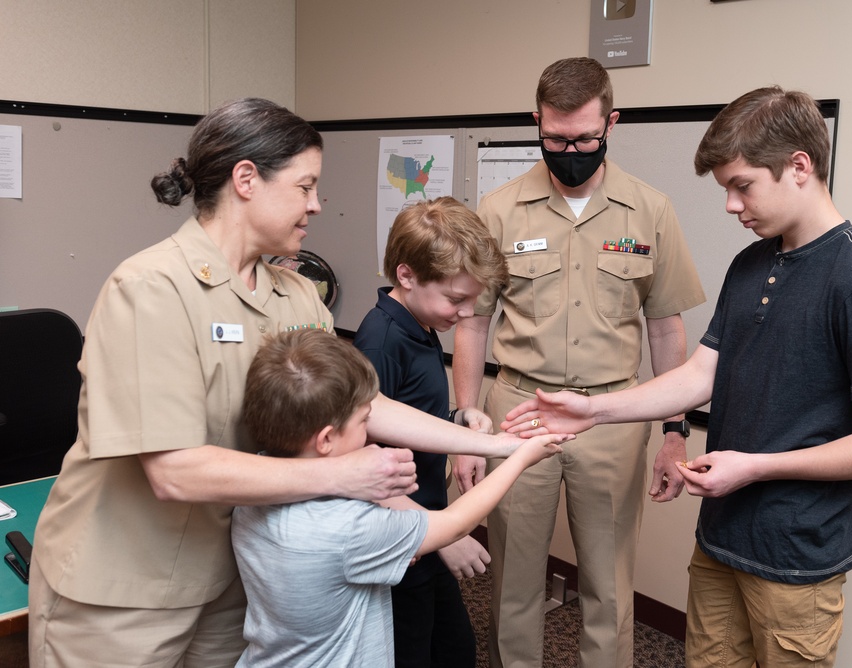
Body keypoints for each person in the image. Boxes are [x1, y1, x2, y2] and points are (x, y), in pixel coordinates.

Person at [27, 97, 549, 668]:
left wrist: (495, 444)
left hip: (233, 579)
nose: (317, 205)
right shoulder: (150, 288)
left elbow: (365, 405)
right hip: (128, 586)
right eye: (305, 187)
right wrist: (341, 473)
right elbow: (173, 472)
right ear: (246, 179)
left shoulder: (298, 295)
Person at [502, 86, 852, 667]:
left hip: (796, 556)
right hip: (722, 538)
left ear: (799, 167)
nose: (731, 205)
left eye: (742, 186)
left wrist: (756, 467)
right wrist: (595, 409)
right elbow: (702, 374)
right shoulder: (753, 262)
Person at [452, 57, 706, 668]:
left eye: (584, 138)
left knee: (609, 584)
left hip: (612, 417)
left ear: (611, 124)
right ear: (536, 122)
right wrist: (464, 426)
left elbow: (667, 328)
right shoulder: (499, 209)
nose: (570, 150)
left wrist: (675, 433)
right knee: (513, 583)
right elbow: (473, 323)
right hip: (519, 412)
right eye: (555, 137)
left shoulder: (651, 211)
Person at [230, 329, 572, 667]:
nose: (370, 430)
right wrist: (520, 459)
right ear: (326, 440)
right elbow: (455, 524)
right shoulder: (349, 529)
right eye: (364, 420)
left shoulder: (254, 482)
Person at [353, 196, 509, 668]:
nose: (464, 314)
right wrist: (442, 535)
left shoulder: (419, 326)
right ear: (406, 275)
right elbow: (362, 463)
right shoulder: (380, 342)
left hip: (426, 528)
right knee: (412, 653)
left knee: (456, 649)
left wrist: (460, 418)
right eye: (456, 299)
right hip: (402, 534)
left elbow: (410, 418)